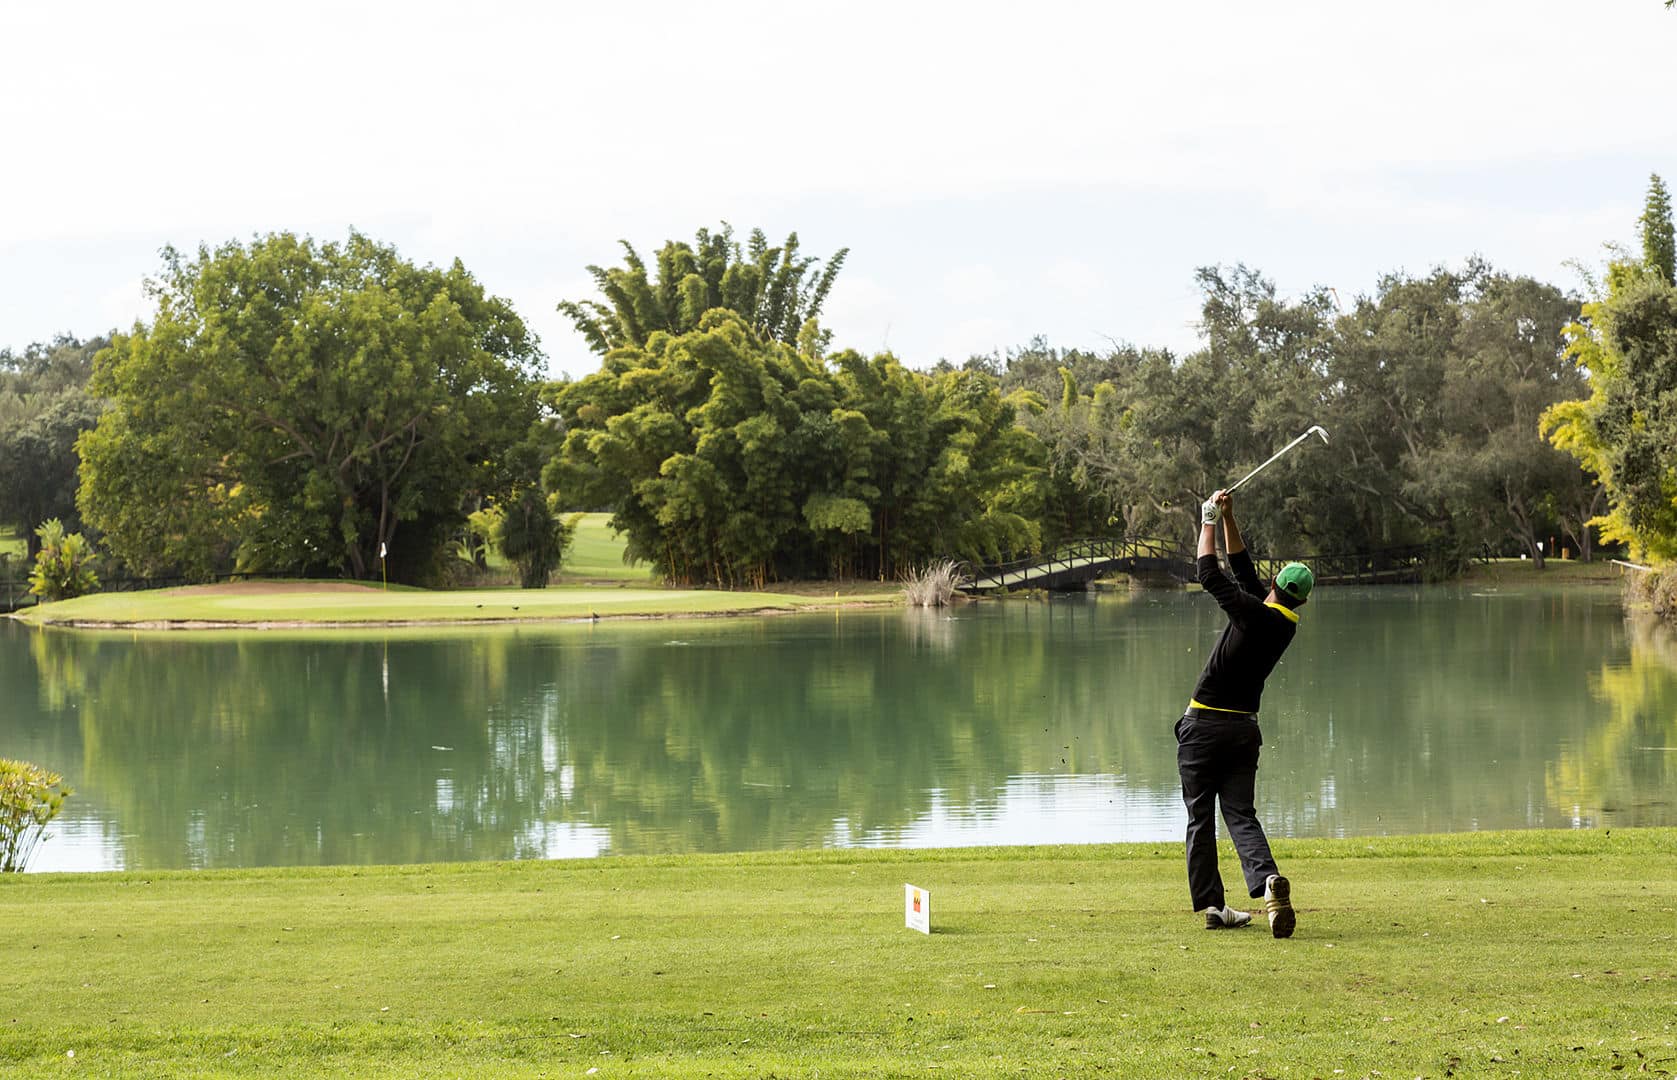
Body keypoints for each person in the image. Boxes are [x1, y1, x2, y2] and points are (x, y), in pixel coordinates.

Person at [1176, 489, 1313, 938]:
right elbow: (1241, 570)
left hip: (1203, 728)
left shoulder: (1256, 613)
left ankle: (1213, 906)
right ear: (1300, 600)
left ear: (1275, 586)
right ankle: (1267, 880)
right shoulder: (1280, 621)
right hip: (1242, 734)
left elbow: (1209, 574)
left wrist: (1208, 519)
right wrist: (1231, 519)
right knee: (1240, 815)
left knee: (1200, 817)